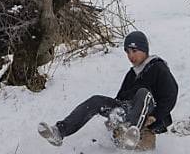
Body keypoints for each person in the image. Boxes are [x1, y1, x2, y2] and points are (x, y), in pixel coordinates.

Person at [37, 31, 179, 149]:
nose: (131, 56)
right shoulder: (131, 75)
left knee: (143, 93)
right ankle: (60, 131)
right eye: (128, 52)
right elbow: (120, 99)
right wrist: (114, 116)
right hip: (129, 114)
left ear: (145, 50)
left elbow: (171, 93)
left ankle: (129, 132)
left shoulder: (157, 67)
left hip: (149, 113)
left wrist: (156, 116)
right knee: (96, 100)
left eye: (134, 51)